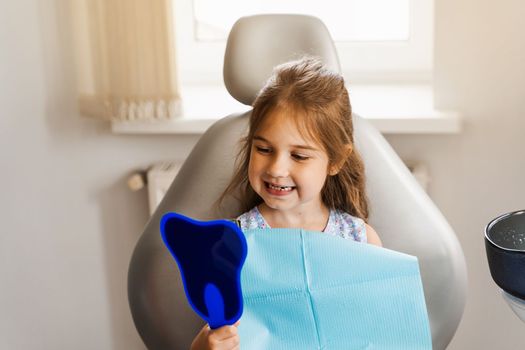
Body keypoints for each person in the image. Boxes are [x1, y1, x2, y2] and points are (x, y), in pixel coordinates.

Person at [191, 57, 382, 350]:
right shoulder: (232, 243)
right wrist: (205, 346)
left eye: (299, 156)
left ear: (336, 160)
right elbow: (219, 331)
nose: (277, 169)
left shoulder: (361, 241)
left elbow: (377, 330)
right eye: (264, 149)